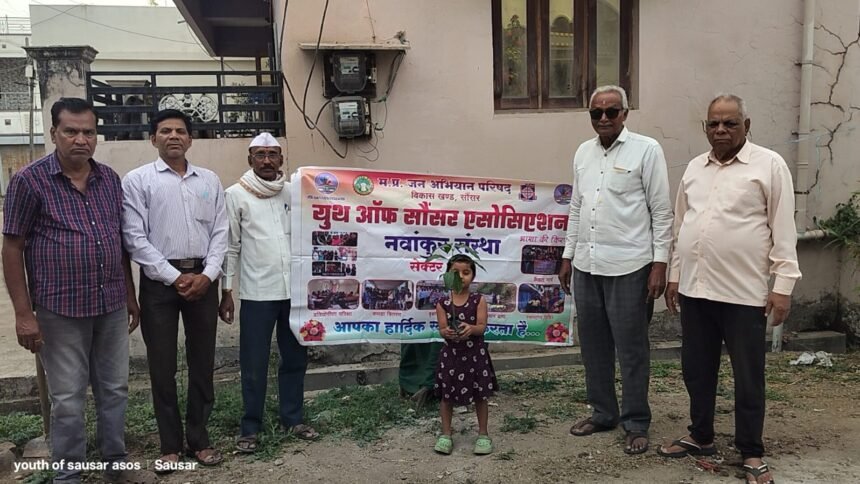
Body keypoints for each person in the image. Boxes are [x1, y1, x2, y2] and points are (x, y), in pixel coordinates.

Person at [2, 98, 155, 484]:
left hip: (110, 304)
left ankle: (116, 465)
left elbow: (117, 242)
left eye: (88, 132)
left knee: (115, 390)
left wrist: (129, 294)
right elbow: (12, 248)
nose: (80, 139)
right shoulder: (29, 181)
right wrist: (23, 314)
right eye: (71, 131)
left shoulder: (109, 180)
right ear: (54, 133)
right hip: (60, 310)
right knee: (68, 398)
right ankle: (68, 475)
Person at [659, 94, 801, 484]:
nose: (721, 130)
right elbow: (681, 227)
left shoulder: (769, 165)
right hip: (695, 290)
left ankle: (751, 451)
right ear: (705, 127)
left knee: (748, 376)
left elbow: (783, 229)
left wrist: (783, 286)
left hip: (744, 294)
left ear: (746, 125)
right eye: (714, 123)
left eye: (730, 123)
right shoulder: (694, 168)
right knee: (696, 370)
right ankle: (701, 435)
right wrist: (675, 275)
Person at [557, 85, 673, 455]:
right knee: (594, 347)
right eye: (597, 113)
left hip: (630, 266)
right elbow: (577, 207)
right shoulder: (583, 152)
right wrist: (568, 255)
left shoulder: (647, 150)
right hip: (587, 264)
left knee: (632, 349)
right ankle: (603, 412)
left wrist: (660, 263)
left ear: (625, 113)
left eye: (611, 111)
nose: (604, 118)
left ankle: (636, 422)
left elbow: (661, 211)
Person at [122, 109, 228, 470]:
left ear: (190, 139)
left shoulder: (209, 180)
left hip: (203, 279)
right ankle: (169, 445)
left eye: (180, 131)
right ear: (153, 139)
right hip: (159, 285)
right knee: (162, 365)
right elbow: (134, 238)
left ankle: (199, 439)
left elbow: (220, 232)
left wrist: (208, 275)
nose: (173, 136)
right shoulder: (138, 181)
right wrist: (173, 277)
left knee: (202, 362)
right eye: (165, 131)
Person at [218, 132, 319, 453]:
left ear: (281, 159)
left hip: (295, 293)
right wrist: (226, 289)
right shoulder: (235, 195)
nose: (266, 160)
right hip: (257, 293)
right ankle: (250, 427)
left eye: (272, 154)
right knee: (254, 362)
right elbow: (231, 246)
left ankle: (293, 418)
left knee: (295, 358)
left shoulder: (294, 192)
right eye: (260, 155)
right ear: (250, 159)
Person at [432, 254, 497, 456]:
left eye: (466, 272)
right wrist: (447, 332)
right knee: (447, 396)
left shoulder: (479, 300)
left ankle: (483, 434)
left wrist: (471, 328)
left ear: (473, 276)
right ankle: (446, 434)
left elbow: (481, 326)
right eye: (455, 273)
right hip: (451, 356)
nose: (460, 277)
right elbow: (442, 329)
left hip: (475, 356)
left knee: (480, 396)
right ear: (447, 276)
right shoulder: (443, 303)